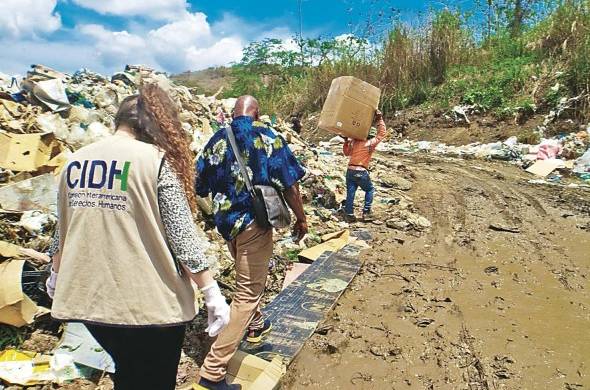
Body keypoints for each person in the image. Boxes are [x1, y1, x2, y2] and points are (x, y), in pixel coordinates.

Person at [45, 84, 231, 390]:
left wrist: (55, 274)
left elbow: (61, 230)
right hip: (150, 308)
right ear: (154, 124)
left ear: (117, 121)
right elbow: (182, 237)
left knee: (128, 372)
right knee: (153, 381)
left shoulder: (75, 161)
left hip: (92, 305)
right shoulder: (155, 161)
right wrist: (211, 292)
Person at [195, 95, 308, 390]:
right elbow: (290, 184)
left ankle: (256, 325)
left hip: (227, 225)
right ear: (257, 113)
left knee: (247, 278)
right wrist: (302, 218)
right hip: (254, 224)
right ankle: (213, 371)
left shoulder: (217, 140)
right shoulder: (268, 137)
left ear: (233, 114)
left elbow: (200, 185)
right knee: (247, 294)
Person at [343, 109, 386, 222]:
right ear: (370, 136)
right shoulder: (370, 143)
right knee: (370, 189)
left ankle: (349, 214)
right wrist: (379, 119)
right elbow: (381, 134)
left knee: (350, 193)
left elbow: (347, 153)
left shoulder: (354, 142)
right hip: (361, 171)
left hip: (350, 171)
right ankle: (366, 212)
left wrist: (346, 141)